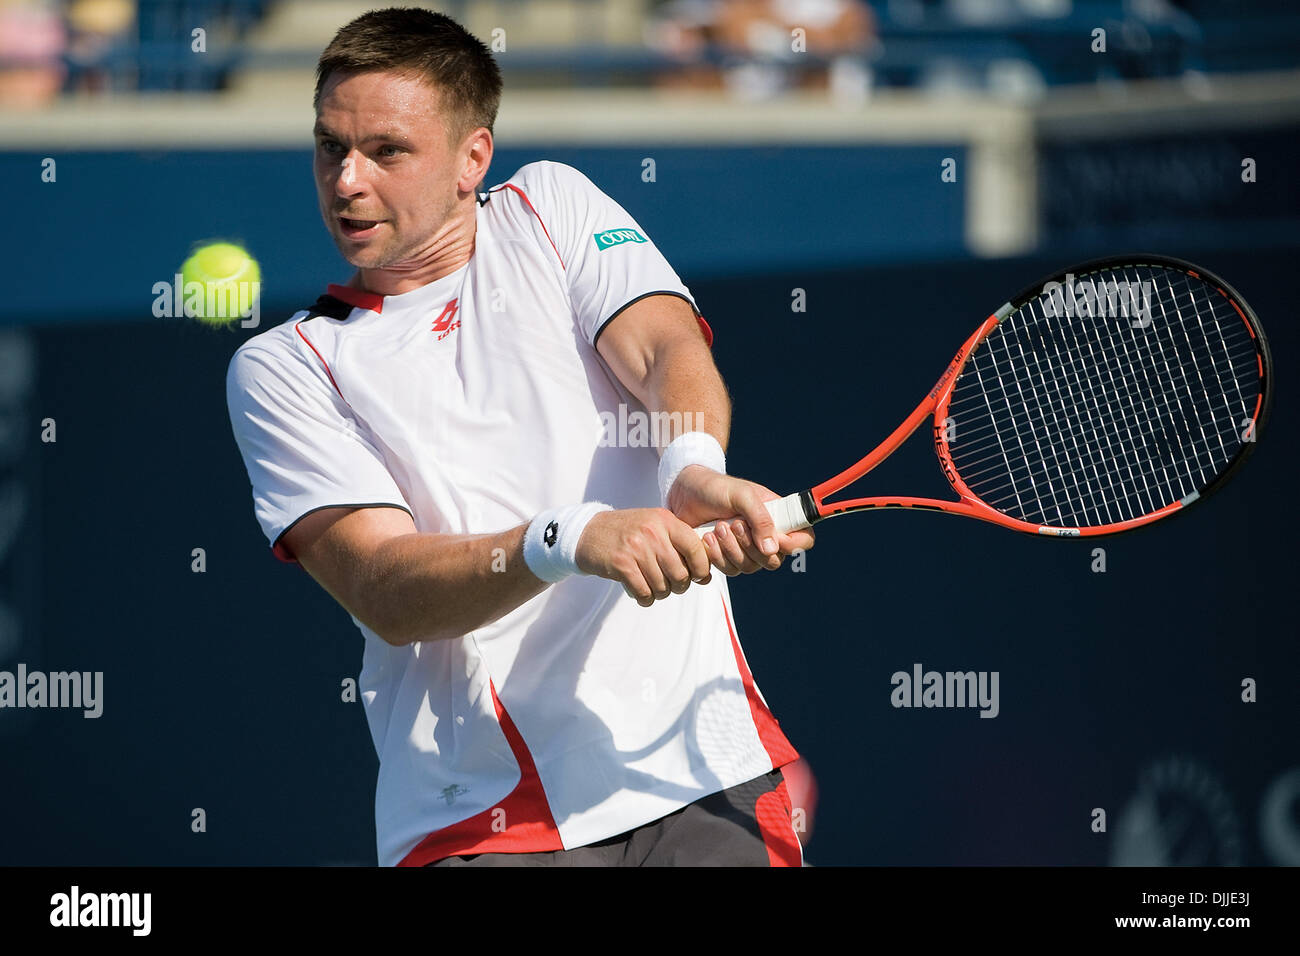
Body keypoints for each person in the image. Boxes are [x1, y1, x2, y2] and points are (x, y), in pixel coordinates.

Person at [225, 7, 814, 867]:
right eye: (330, 147)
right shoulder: (284, 366)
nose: (347, 180)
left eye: (387, 151)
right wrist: (569, 537)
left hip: (705, 771)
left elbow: (664, 346)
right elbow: (385, 590)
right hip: (484, 822)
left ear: (474, 158)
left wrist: (691, 465)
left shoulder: (551, 205)